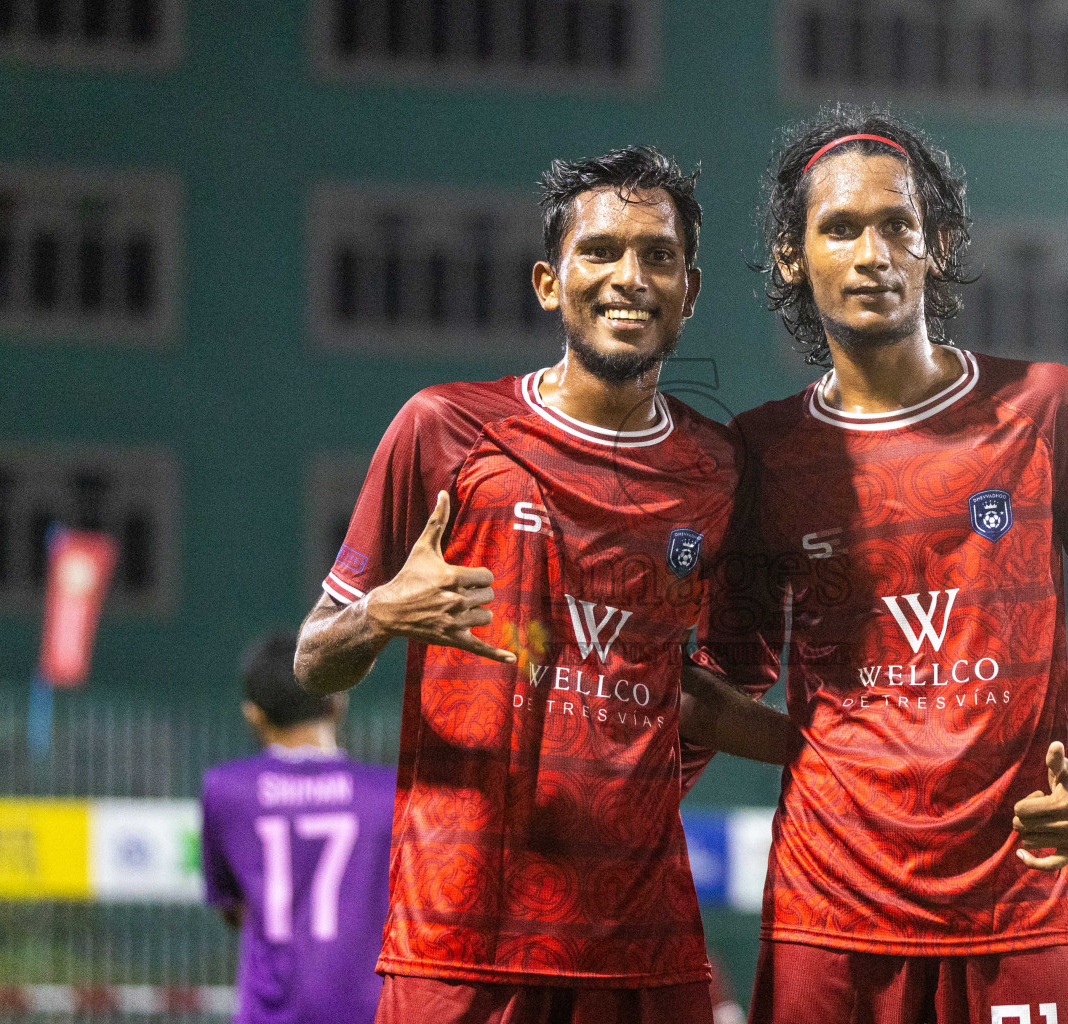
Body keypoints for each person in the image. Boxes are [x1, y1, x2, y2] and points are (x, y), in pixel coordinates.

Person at [683, 106, 1068, 1023]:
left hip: (1019, 907)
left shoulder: (1046, 407)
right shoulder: (765, 452)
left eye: (896, 225)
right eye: (839, 227)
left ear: (935, 244)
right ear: (794, 258)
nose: (872, 251)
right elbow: (728, 676)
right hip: (830, 917)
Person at [294, 146, 793, 1024]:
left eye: (657, 256)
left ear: (691, 291)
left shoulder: (722, 474)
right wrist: (380, 614)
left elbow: (692, 692)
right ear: (547, 281)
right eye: (599, 251)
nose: (628, 278)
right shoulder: (445, 429)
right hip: (459, 938)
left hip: (644, 942)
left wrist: (837, 757)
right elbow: (313, 662)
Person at [200, 632, 397, 1024]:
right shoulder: (389, 793)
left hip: (270, 1014)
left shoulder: (227, 790)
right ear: (337, 703)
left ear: (253, 714)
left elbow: (233, 908)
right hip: (371, 1013)